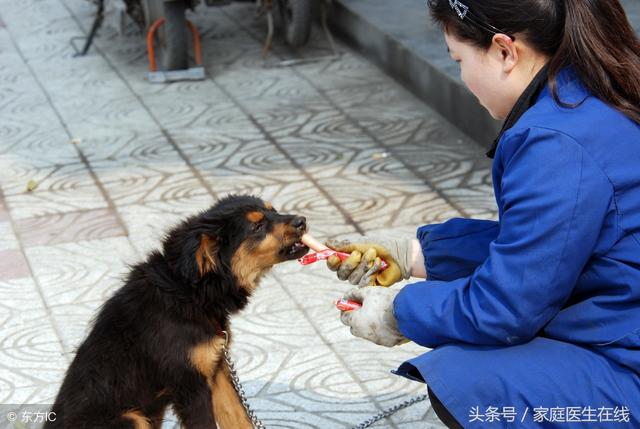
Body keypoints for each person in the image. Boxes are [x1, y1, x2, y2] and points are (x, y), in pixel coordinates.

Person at [325, 0, 640, 428]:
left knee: (468, 381)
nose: (463, 76)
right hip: (622, 319)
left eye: (459, 60)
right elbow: (544, 245)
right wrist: (413, 255)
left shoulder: (555, 142)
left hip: (628, 364)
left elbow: (505, 309)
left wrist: (399, 312)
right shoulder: (587, 96)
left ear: (505, 52)